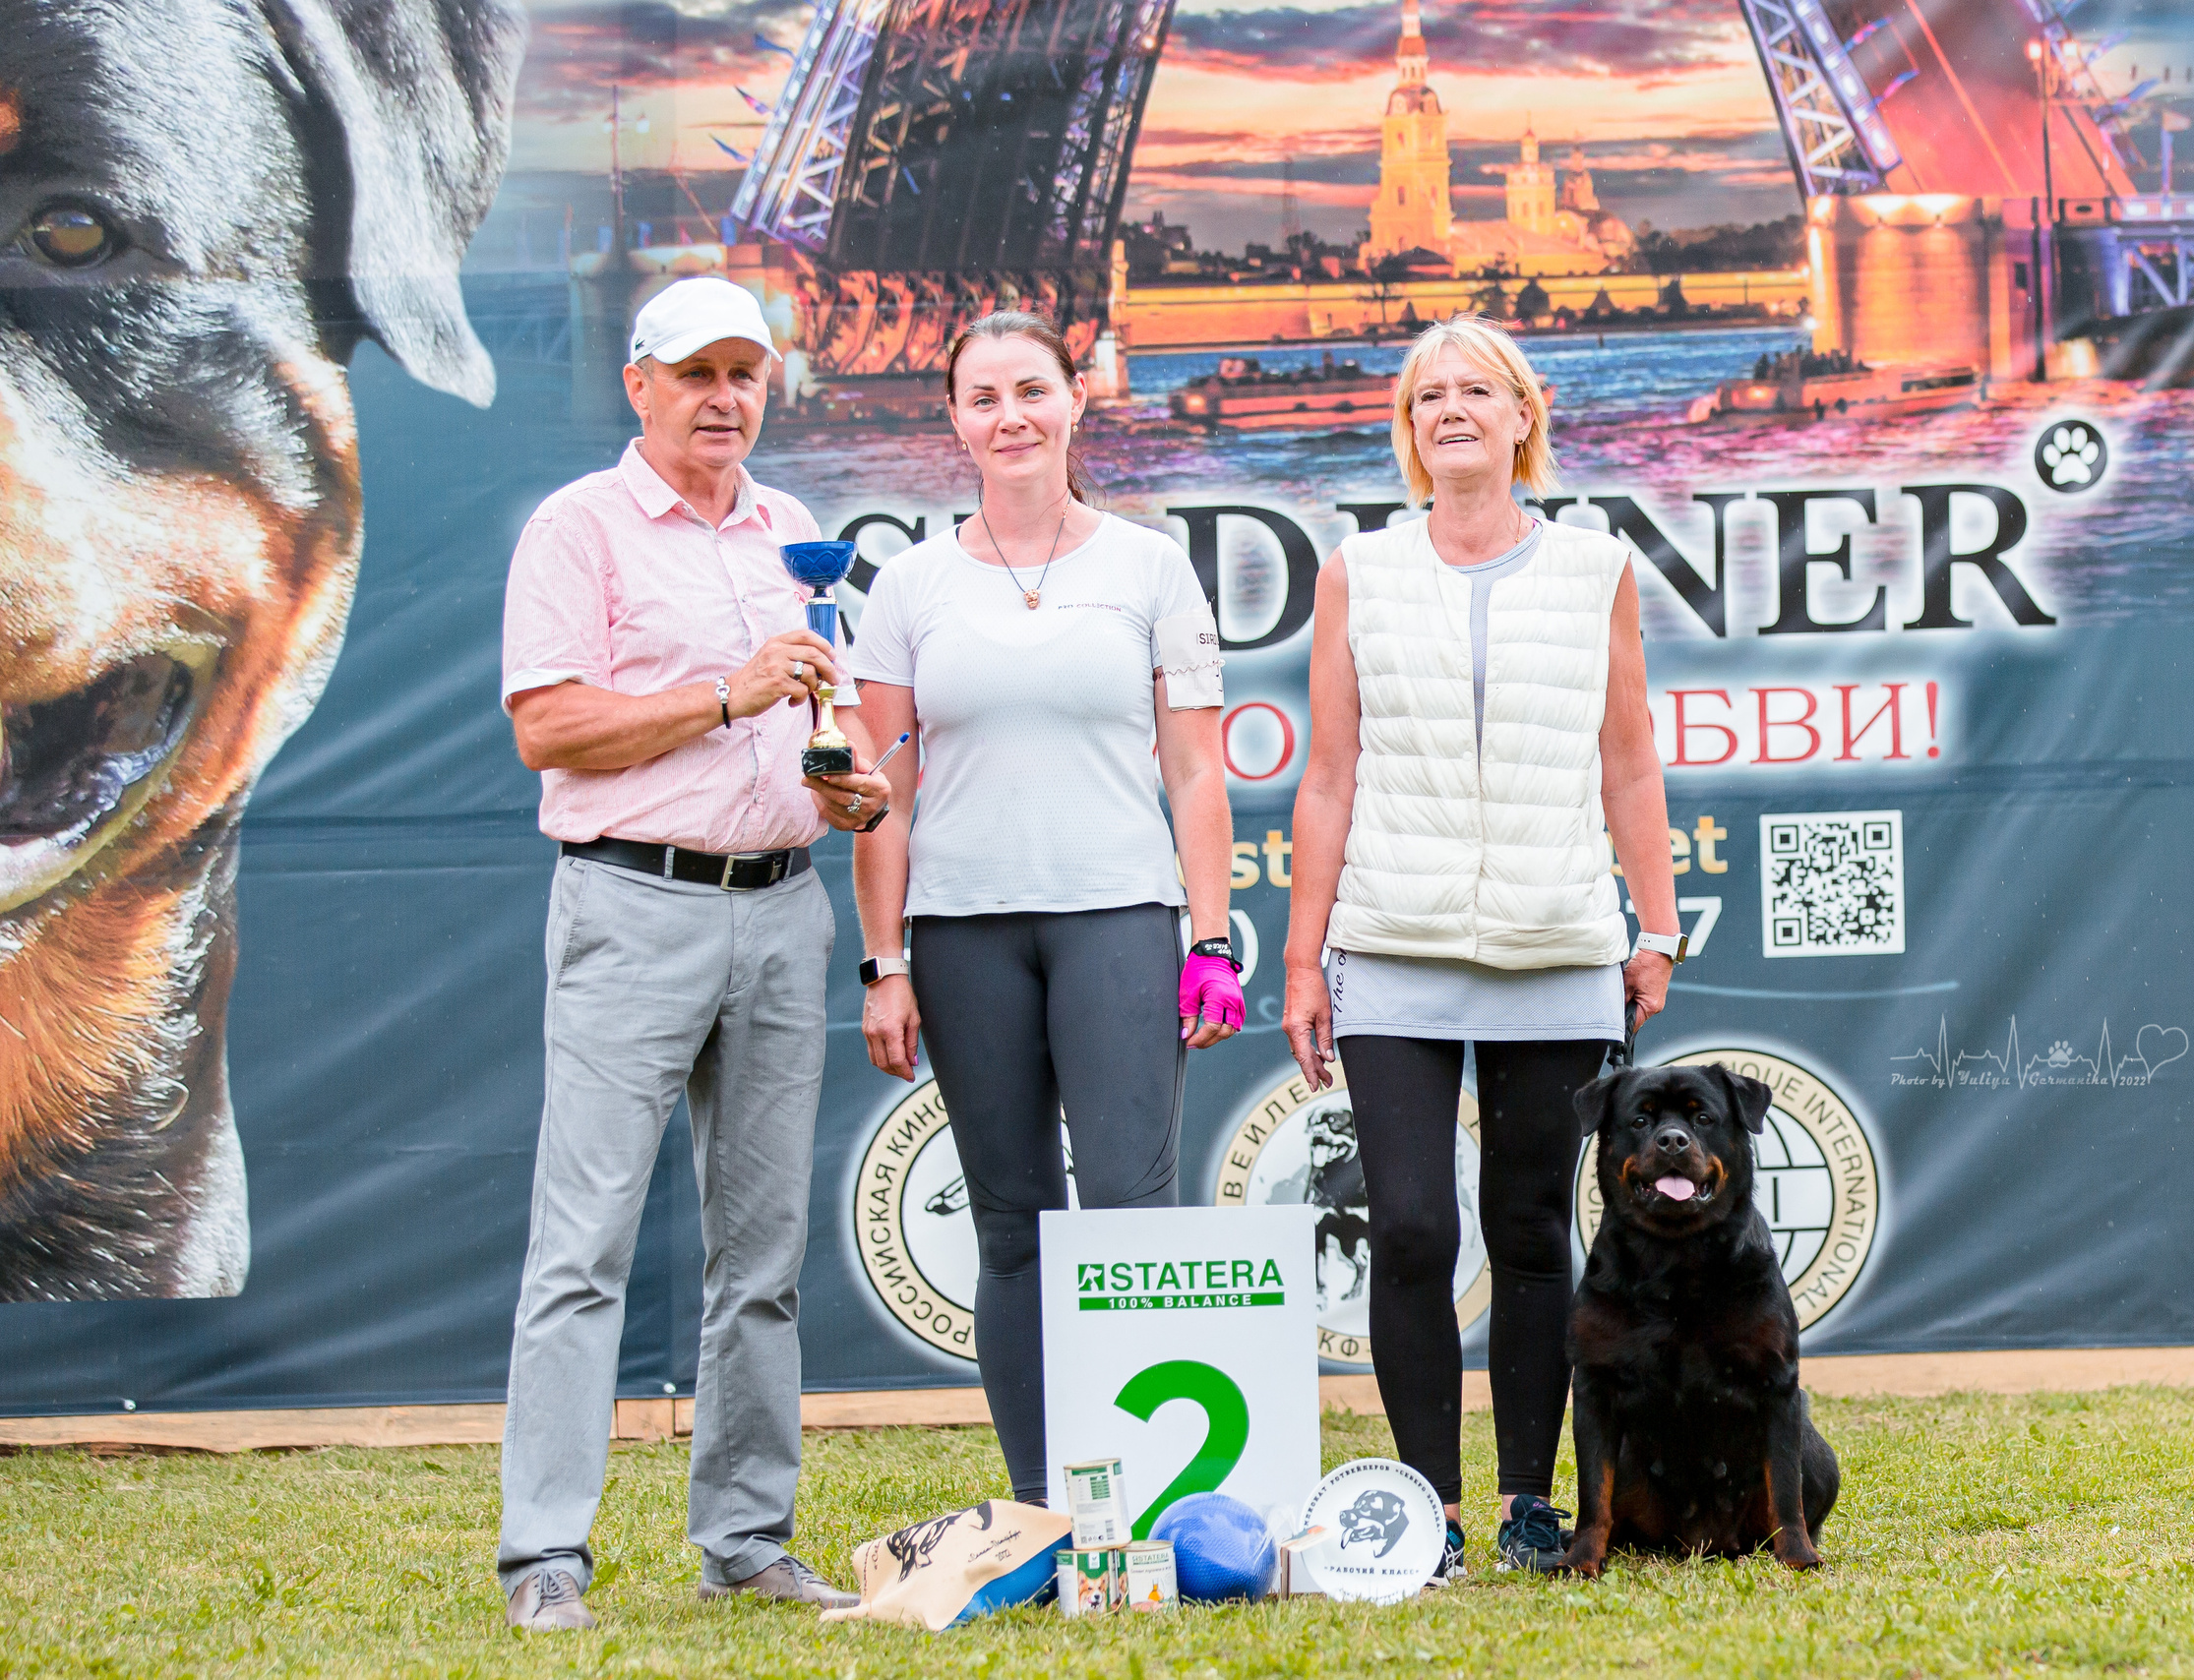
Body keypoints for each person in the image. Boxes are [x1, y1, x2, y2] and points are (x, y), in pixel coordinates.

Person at [494, 276, 893, 1632]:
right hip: (631, 902)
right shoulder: (579, 528)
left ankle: (746, 1537)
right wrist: (730, 693)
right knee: (583, 1247)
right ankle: (545, 1554)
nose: (726, 398)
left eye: (746, 374)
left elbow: (826, 719)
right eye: (698, 373)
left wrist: (852, 786)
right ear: (640, 386)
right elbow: (548, 728)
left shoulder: (790, 530)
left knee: (763, 1256)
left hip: (783, 904)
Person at [1281, 314, 1682, 1581]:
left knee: (1526, 1228)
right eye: (1426, 396)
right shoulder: (1357, 570)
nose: (1450, 409)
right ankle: (1426, 1509)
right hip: (1391, 944)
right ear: (1409, 430)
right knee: (1407, 1227)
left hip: (1555, 946)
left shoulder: (1596, 567)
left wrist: (1654, 925)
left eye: (1475, 390)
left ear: (1522, 416)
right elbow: (1328, 774)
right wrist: (1301, 960)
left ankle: (1524, 1500)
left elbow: (1628, 762)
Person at [850, 310, 1242, 1505]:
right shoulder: (907, 586)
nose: (1009, 417)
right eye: (983, 398)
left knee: (1128, 1217)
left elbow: (1196, 771)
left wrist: (1210, 939)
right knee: (1012, 1228)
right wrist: (884, 963)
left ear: (1077, 398)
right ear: (954, 420)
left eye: (1031, 390)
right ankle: (1042, 1509)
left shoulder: (1149, 567)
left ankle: (1146, 1507)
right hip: (964, 936)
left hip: (1117, 920)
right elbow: (882, 796)